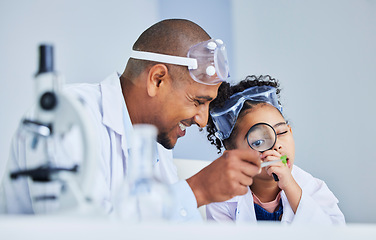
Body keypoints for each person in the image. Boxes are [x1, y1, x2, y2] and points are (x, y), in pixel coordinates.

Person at [0, 19, 262, 221]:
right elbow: (76, 229)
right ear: (157, 79)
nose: (202, 120)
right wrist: (197, 191)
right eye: (198, 101)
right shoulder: (67, 116)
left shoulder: (155, 142)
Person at [205, 75, 345, 224]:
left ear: (290, 131)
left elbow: (333, 234)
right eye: (258, 142)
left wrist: (289, 186)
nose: (276, 145)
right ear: (232, 155)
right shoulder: (220, 198)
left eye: (282, 132)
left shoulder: (314, 189)